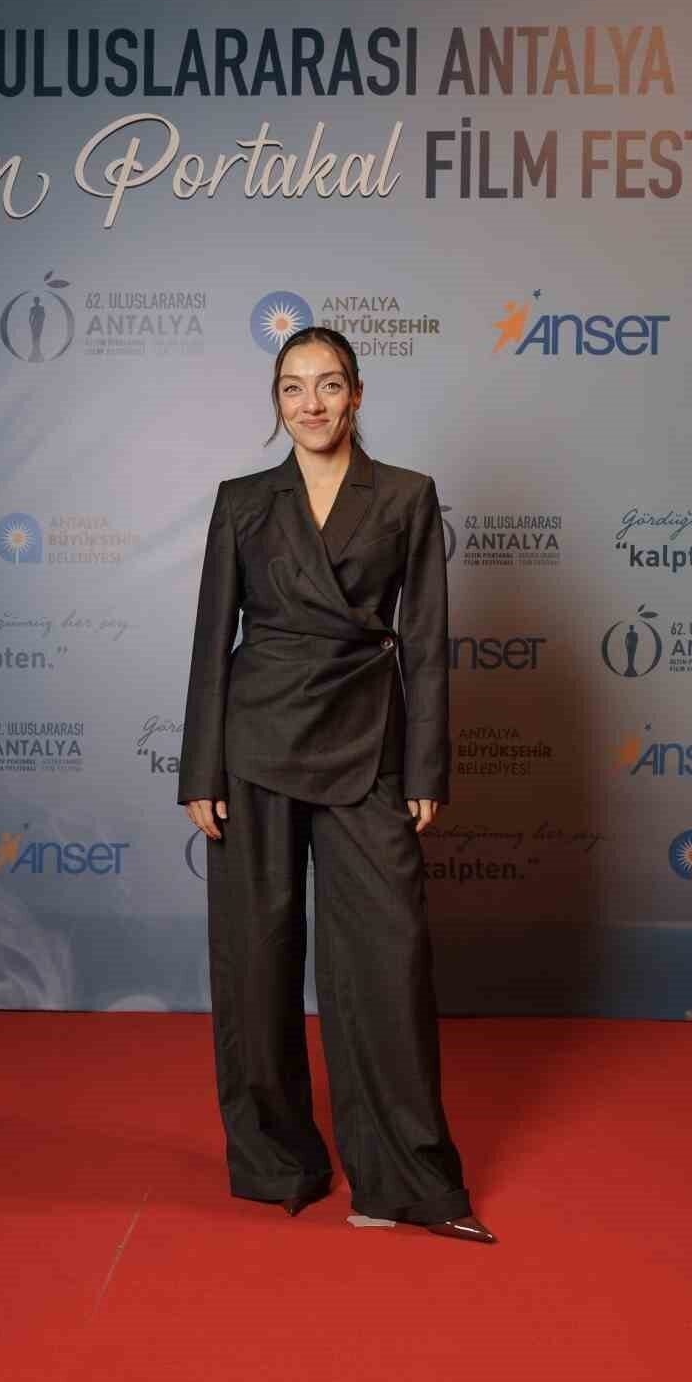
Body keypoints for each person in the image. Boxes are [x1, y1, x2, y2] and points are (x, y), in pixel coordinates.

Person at [177, 326, 496, 1245]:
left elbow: (426, 641)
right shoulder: (243, 501)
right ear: (276, 402)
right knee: (256, 958)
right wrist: (200, 767)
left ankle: (403, 1178)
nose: (310, 404)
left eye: (327, 385)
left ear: (357, 394)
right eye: (292, 387)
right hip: (254, 744)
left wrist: (426, 766)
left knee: (387, 962)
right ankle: (278, 1161)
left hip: (369, 741)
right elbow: (211, 641)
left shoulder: (405, 495)